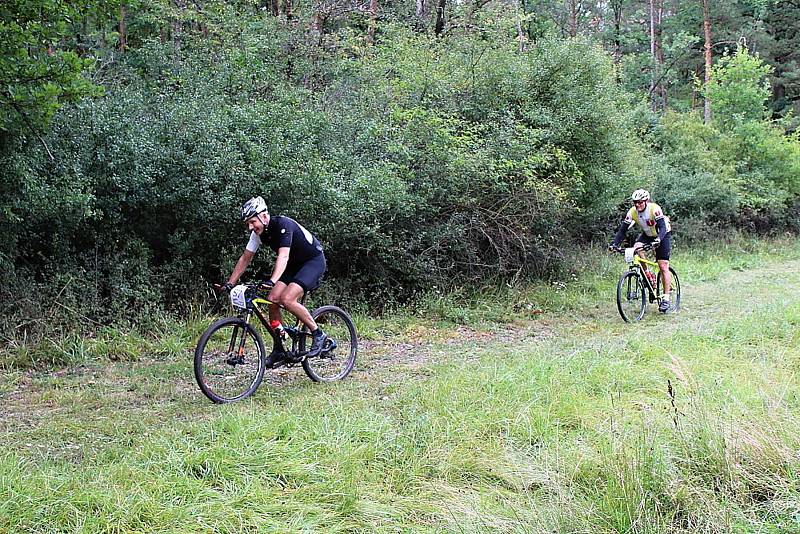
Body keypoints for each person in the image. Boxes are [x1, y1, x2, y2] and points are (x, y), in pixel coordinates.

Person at [223, 196, 327, 367]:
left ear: (263, 216)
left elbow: (283, 256)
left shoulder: (283, 225)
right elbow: (245, 259)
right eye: (248, 223)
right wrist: (230, 283)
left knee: (287, 299)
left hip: (312, 261)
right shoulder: (258, 234)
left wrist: (272, 280)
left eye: (252, 221)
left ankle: (318, 334)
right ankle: (279, 347)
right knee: (272, 299)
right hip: (293, 265)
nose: (250, 227)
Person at [609, 189, 673, 312]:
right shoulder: (632, 212)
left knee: (663, 265)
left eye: (639, 202)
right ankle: (648, 273)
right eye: (635, 202)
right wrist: (614, 244)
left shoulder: (654, 209)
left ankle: (666, 298)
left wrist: (659, 240)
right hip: (648, 235)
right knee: (637, 247)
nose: (637, 205)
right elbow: (623, 230)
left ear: (646, 201)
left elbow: (662, 227)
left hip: (662, 234)